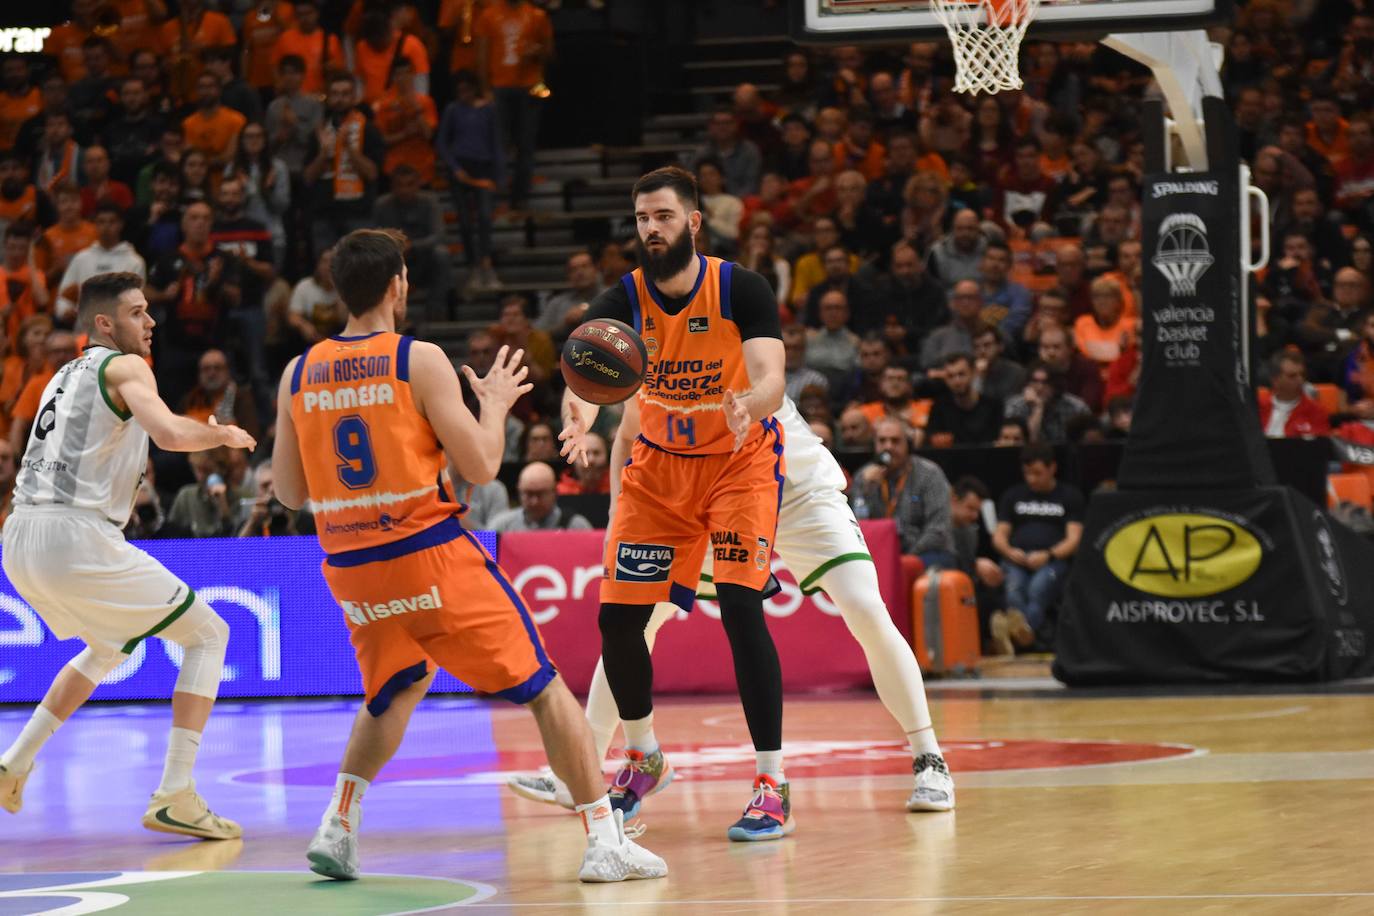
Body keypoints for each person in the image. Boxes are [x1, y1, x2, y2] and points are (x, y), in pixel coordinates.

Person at [270, 229, 665, 882]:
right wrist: (496, 406)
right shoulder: (415, 359)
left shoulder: (298, 371)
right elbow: (482, 467)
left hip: (350, 566)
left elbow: (288, 491)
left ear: (338, 290)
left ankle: (338, 824)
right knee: (544, 689)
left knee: (397, 684)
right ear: (399, 283)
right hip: (428, 553)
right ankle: (605, 837)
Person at [510, 393, 955, 814]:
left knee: (864, 606)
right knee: (636, 620)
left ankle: (929, 758)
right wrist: (614, 518)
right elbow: (627, 428)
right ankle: (580, 773)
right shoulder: (652, 345)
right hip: (712, 498)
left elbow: (768, 381)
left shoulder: (736, 330)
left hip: (796, 490)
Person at [558, 166, 792, 841]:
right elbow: (582, 370)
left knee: (743, 608)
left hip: (737, 466)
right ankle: (644, 755)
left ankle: (772, 783)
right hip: (658, 472)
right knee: (617, 622)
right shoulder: (622, 299)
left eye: (661, 216)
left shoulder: (739, 287)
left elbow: (774, 374)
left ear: (692, 221)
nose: (650, 230)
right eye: (640, 219)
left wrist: (751, 401)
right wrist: (578, 417)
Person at [0, 271, 255, 838]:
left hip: (19, 535)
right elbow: (167, 432)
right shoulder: (126, 366)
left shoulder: (60, 376)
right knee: (209, 634)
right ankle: (176, 793)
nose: (151, 320)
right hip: (74, 534)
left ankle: (13, 762)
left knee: (108, 646)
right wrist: (221, 436)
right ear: (104, 323)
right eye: (138, 312)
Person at [991, 443, 1083, 651]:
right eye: (1027, 473)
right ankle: (1025, 635)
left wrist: (1048, 555)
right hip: (1017, 560)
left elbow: (1074, 539)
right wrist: (1009, 551)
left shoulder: (1069, 496)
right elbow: (999, 535)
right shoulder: (1013, 495)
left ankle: (1013, 635)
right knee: (1014, 591)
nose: (1031, 479)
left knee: (1037, 590)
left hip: (1053, 560)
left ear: (1052, 468)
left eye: (1037, 473)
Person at [474, 0, 554, 211]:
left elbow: (550, 53)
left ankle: (520, 196)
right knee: (498, 143)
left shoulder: (537, 16)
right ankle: (496, 193)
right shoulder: (488, 15)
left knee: (526, 144)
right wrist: (485, 90)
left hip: (529, 86)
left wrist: (537, 51)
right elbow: (481, 55)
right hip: (499, 87)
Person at [304, 74, 385, 260]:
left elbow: (372, 174)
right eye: (335, 93)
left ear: (354, 96)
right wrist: (323, 154)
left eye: (345, 93)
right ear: (328, 96)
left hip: (357, 213)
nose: (340, 99)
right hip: (323, 213)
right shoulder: (319, 131)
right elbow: (307, 177)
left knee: (361, 268)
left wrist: (350, 149)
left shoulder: (369, 129)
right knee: (327, 271)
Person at [438, 69, 503, 294]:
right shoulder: (453, 110)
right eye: (460, 90)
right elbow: (442, 144)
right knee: (465, 221)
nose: (463, 94)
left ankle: (486, 263)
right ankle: (473, 266)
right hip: (461, 169)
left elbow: (496, 143)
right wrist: (455, 168)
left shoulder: (489, 109)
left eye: (466, 90)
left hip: (483, 168)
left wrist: (498, 176)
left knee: (484, 217)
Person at [56, 204, 146, 325]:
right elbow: (64, 295)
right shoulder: (81, 258)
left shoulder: (134, 261)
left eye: (111, 222)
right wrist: (64, 310)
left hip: (118, 331)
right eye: (101, 222)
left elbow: (136, 302)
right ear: (95, 225)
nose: (106, 226)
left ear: (121, 224)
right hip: (84, 329)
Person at [924, 351, 1004, 446]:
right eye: (951, 376)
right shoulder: (939, 408)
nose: (956, 381)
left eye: (961, 374)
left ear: (974, 373)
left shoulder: (994, 406)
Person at [1004, 362, 1093, 444]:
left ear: (1055, 385)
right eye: (1035, 381)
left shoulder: (1076, 407)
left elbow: (1089, 442)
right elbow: (1027, 444)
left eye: (1045, 382)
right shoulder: (1015, 406)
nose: (1040, 388)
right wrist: (1037, 408)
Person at [490, 461, 593, 531]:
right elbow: (483, 560)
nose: (534, 501)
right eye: (528, 493)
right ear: (519, 492)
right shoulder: (499, 526)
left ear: (555, 492)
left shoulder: (577, 527)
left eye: (541, 494)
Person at [1258, 350, 1330, 437]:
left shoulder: (1316, 412)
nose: (1300, 380)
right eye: (1292, 376)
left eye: (1302, 375)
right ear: (1275, 380)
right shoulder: (1257, 407)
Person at [536, 250, 604, 339]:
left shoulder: (610, 296)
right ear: (568, 276)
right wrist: (565, 324)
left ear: (596, 269)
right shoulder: (557, 303)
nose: (579, 273)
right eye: (574, 269)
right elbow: (538, 335)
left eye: (585, 266)